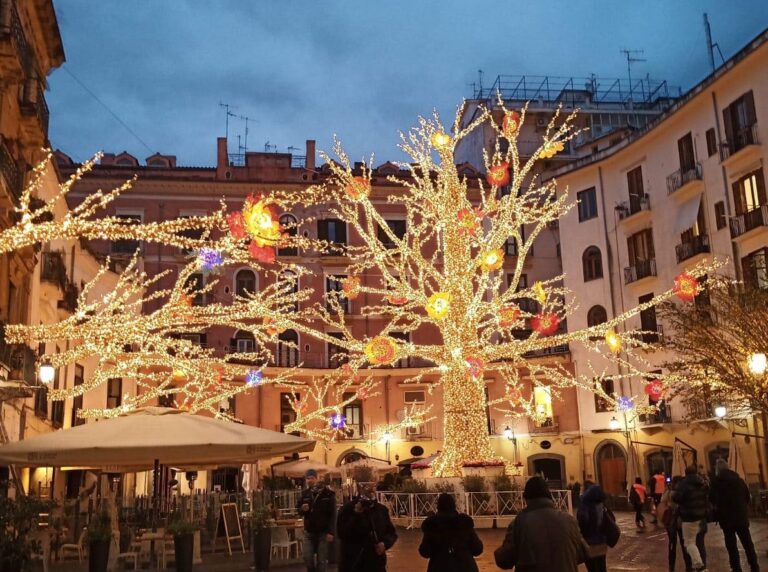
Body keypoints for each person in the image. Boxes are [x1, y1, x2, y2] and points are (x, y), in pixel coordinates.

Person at [495, 476, 588, 571]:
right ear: (549, 496)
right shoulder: (569, 520)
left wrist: (497, 553)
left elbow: (505, 559)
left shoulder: (520, 522)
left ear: (527, 499)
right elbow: (583, 552)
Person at [710, 458, 759, 572]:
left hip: (726, 519)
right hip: (741, 516)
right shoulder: (739, 480)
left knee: (731, 546)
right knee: (748, 543)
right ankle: (754, 566)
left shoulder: (716, 482)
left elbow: (712, 499)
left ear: (717, 469)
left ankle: (736, 568)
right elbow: (747, 496)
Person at [337, 482, 397, 572]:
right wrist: (356, 515)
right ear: (359, 489)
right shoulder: (347, 509)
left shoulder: (381, 510)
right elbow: (342, 532)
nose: (371, 489)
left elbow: (391, 533)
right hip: (353, 562)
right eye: (366, 486)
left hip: (376, 563)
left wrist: (385, 544)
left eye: (373, 486)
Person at [418, 493, 483, 572]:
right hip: (465, 567)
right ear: (453, 506)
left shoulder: (432, 525)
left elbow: (425, 551)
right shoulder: (464, 523)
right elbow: (477, 549)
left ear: (438, 506)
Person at [296, 469, 336, 572]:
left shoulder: (328, 494)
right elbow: (298, 510)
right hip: (309, 532)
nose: (309, 480)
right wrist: (302, 509)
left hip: (323, 532)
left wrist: (331, 532)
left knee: (321, 561)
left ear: (317, 478)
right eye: (307, 478)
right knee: (307, 557)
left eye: (311, 478)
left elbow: (333, 514)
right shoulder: (305, 494)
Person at [673, 465, 709, 572]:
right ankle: (703, 566)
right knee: (700, 543)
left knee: (689, 543)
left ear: (686, 473)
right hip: (702, 517)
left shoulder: (684, 484)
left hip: (689, 518)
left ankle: (699, 565)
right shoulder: (703, 482)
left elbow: (677, 498)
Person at [657, 476, 692, 572]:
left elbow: (662, 501)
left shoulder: (669, 491)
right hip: (680, 521)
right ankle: (688, 566)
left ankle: (672, 567)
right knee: (684, 543)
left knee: (673, 544)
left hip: (672, 521)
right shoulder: (682, 492)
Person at [576, 484, 610, 572]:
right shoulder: (602, 504)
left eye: (582, 489)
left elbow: (582, 521)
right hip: (602, 542)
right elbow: (611, 519)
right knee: (602, 568)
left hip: (589, 543)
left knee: (592, 569)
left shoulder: (585, 505)